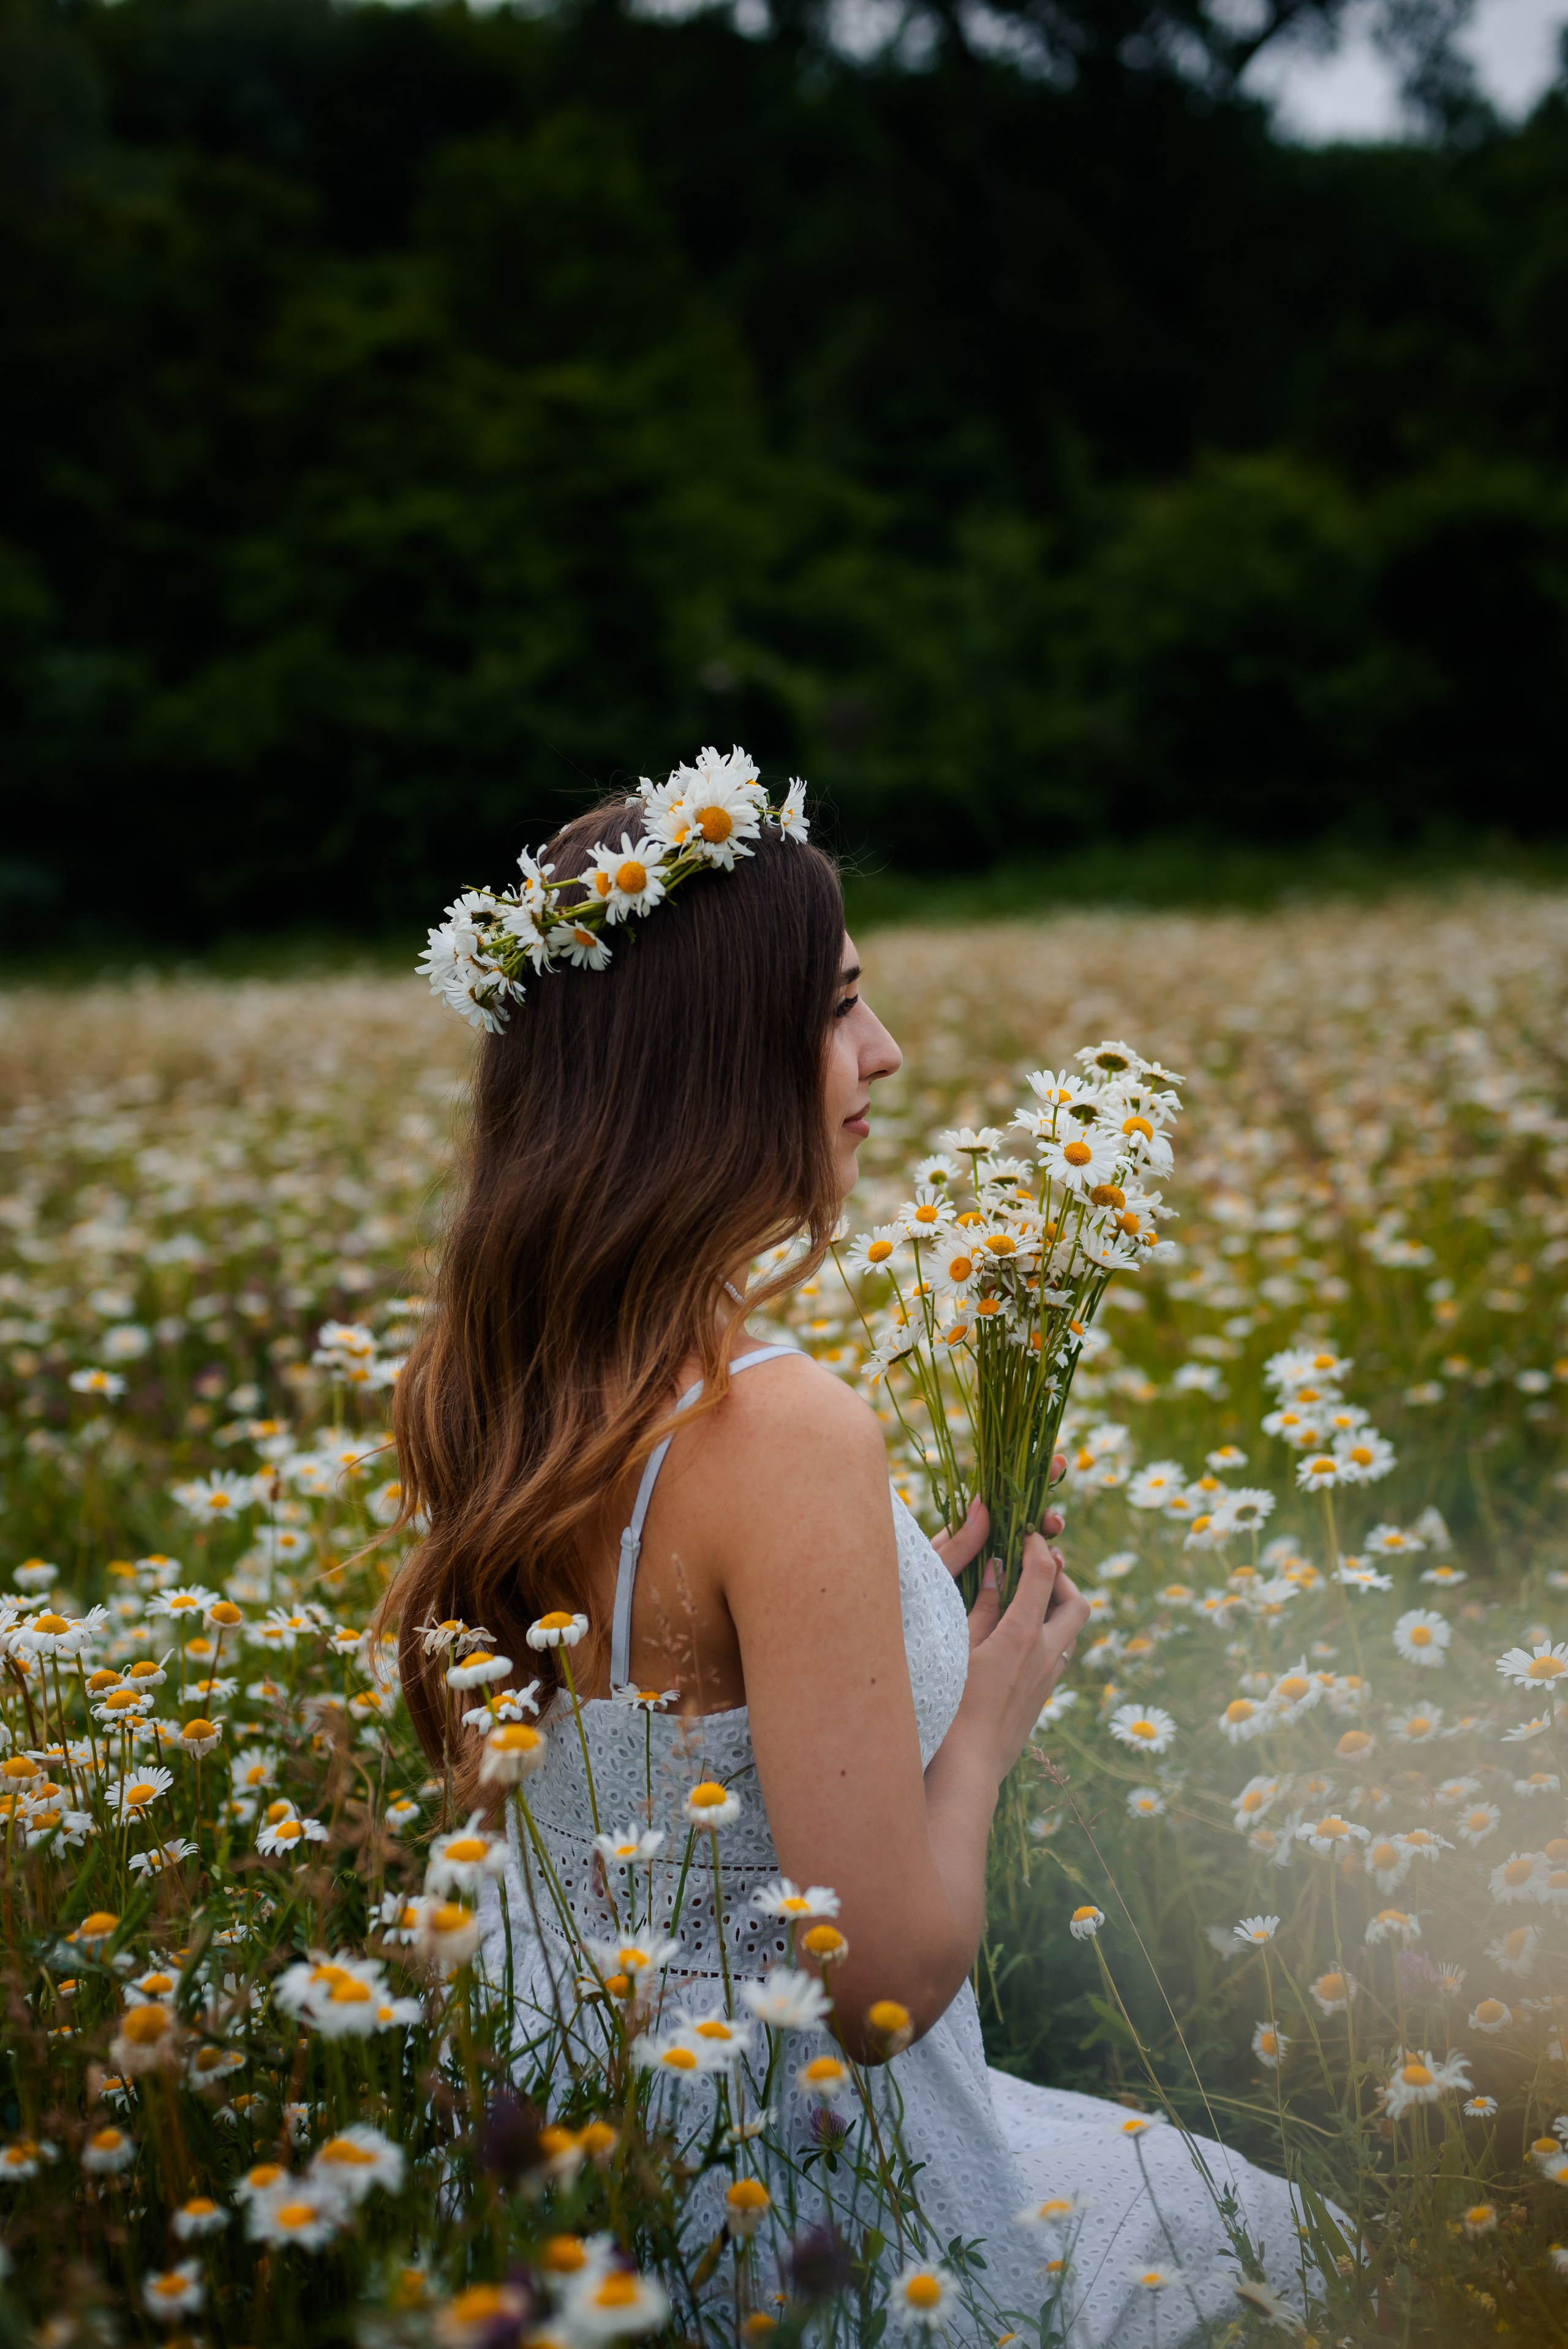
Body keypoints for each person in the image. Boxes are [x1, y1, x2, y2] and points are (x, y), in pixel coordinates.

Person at [388, 755, 1323, 2346]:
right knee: (1278, 2243)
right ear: (711, 1060)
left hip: (579, 2161)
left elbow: (657, 1736)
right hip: (804, 2201)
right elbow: (877, 1990)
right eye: (837, 1007)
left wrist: (881, 1617)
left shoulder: (499, 1386)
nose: (883, 1051)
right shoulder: (780, 1428)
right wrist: (981, 1727)